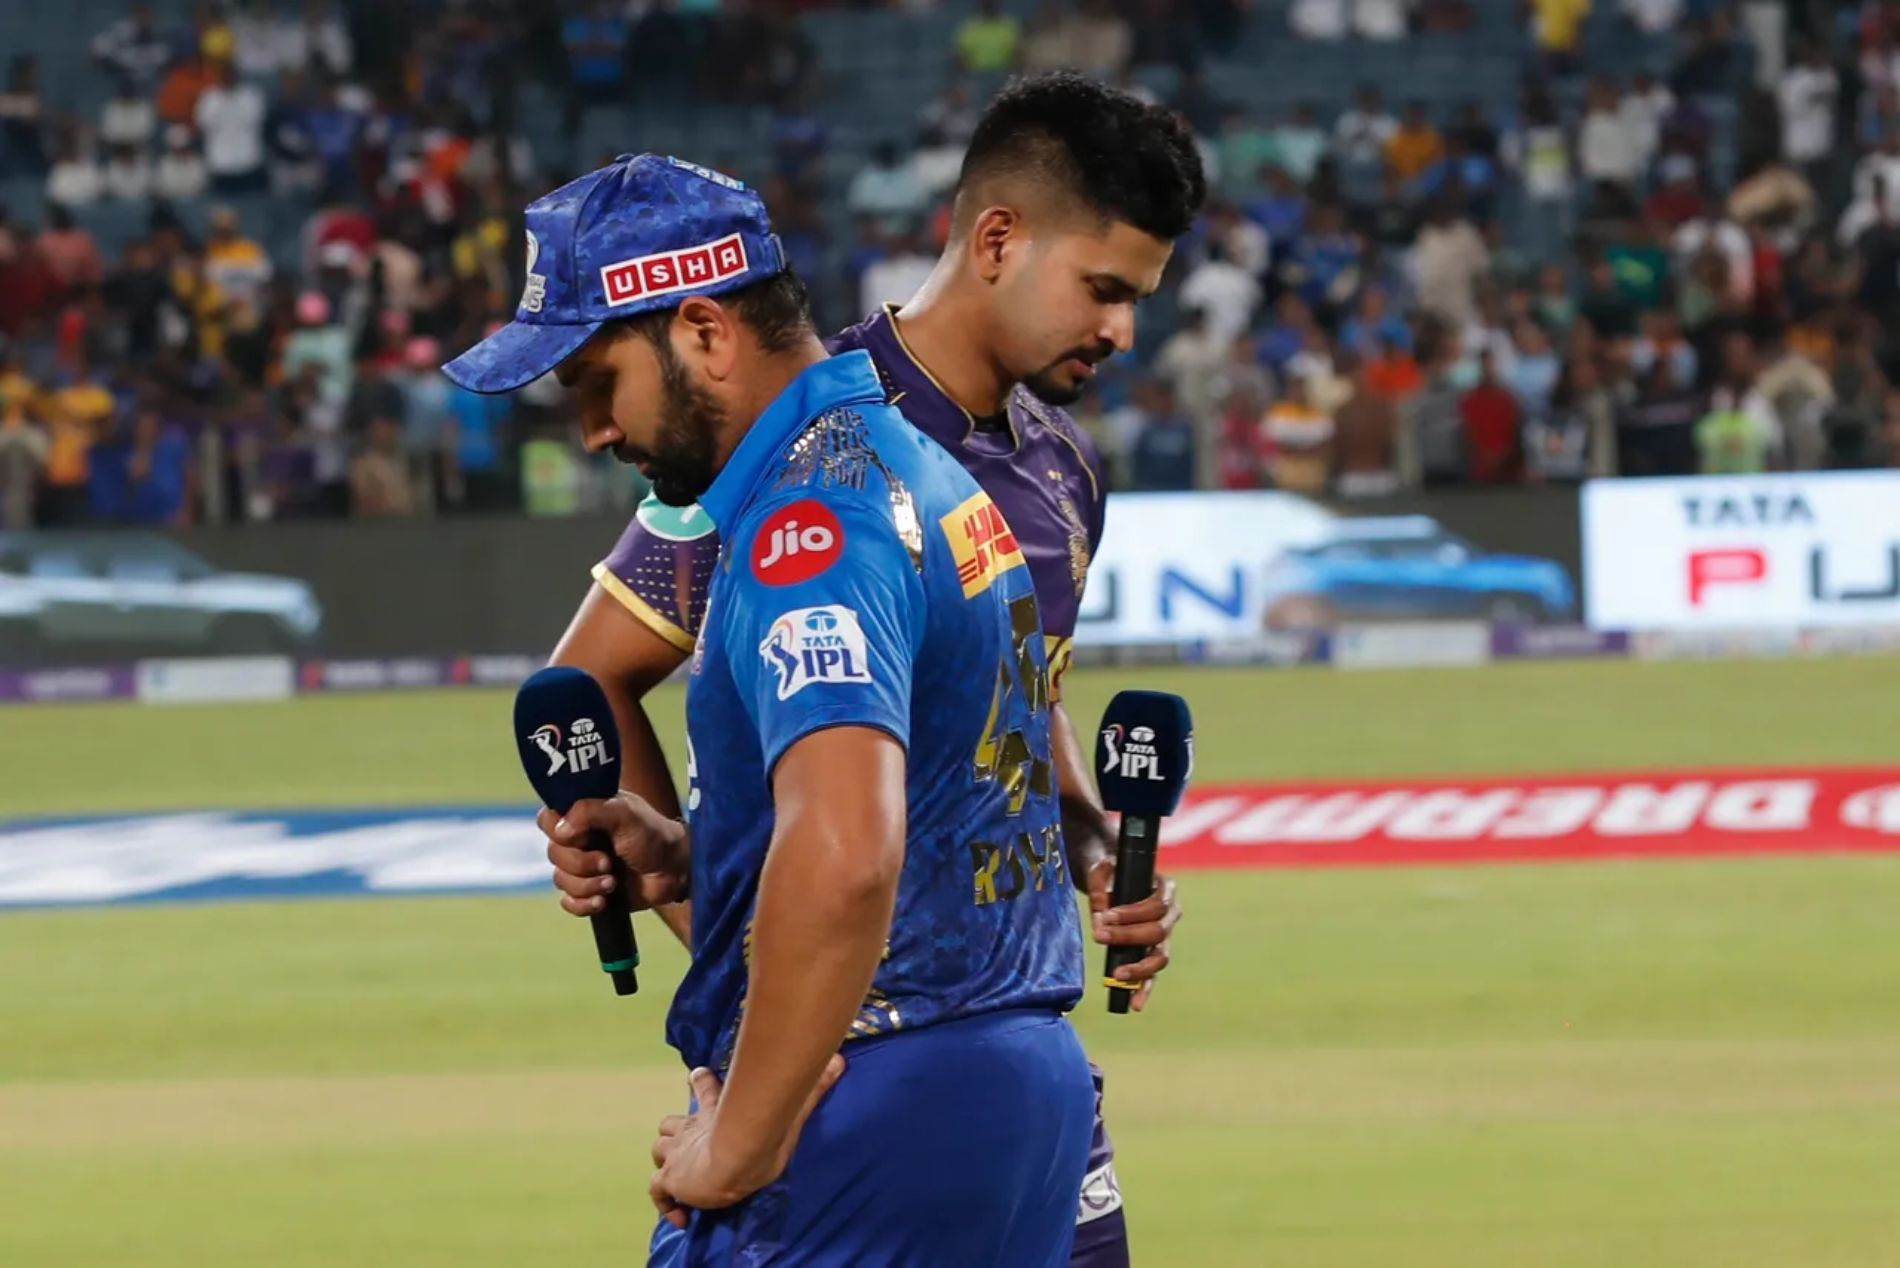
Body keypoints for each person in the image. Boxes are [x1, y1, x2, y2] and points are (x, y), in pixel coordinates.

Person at [542, 74, 1202, 1267]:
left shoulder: (1055, 470)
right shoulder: (785, 429)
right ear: (996, 239)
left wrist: (1090, 847)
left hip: (987, 1037)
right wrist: (745, 933)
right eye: (1103, 289)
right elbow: (590, 680)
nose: (1120, 332)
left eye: (1136, 298)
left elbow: (1011, 706)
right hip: (871, 1054)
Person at [444, 152, 1096, 1265]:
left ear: (702, 331)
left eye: (597, 380)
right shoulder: (920, 473)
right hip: (1004, 1090)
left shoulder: (811, 526)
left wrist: (737, 1142)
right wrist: (703, 864)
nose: (593, 430)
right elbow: (941, 807)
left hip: (869, 1101)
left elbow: (846, 855)